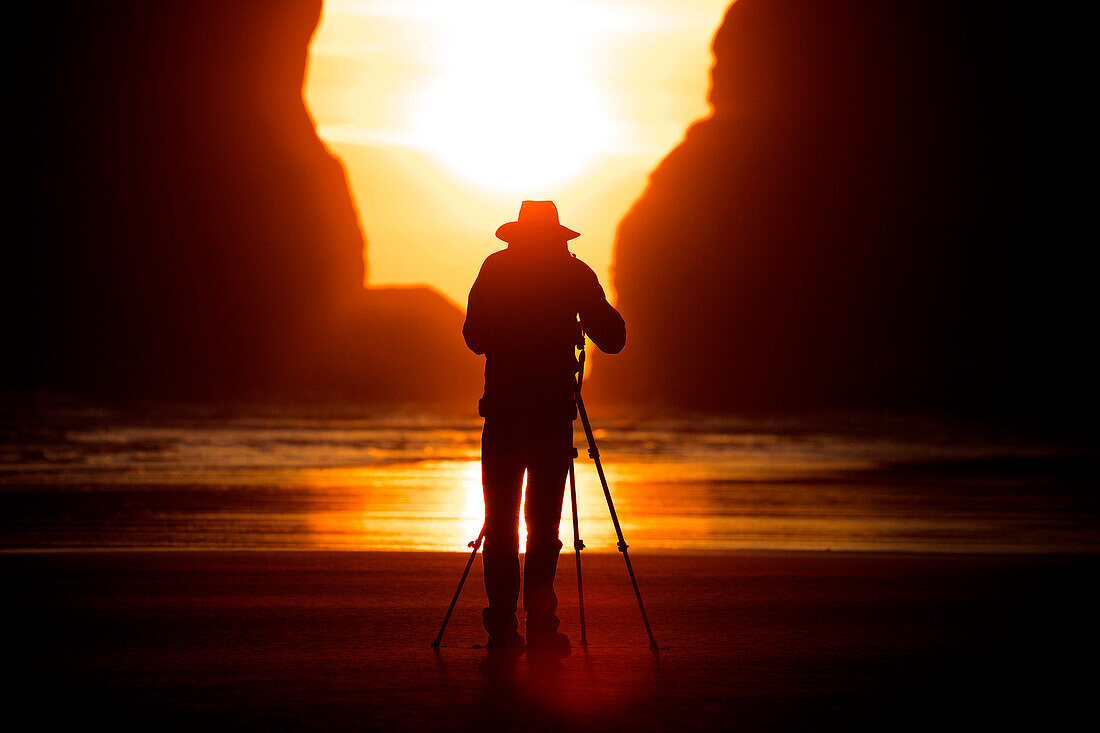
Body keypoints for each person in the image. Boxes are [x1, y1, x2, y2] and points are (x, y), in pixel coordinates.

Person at [463, 200, 625, 650]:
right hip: (553, 412)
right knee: (544, 522)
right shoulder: (572, 272)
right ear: (558, 236)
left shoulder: (496, 269)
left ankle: (500, 623)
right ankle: (541, 622)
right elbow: (613, 339)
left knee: (500, 521)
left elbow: (473, 336)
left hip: (503, 411)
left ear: (516, 235)